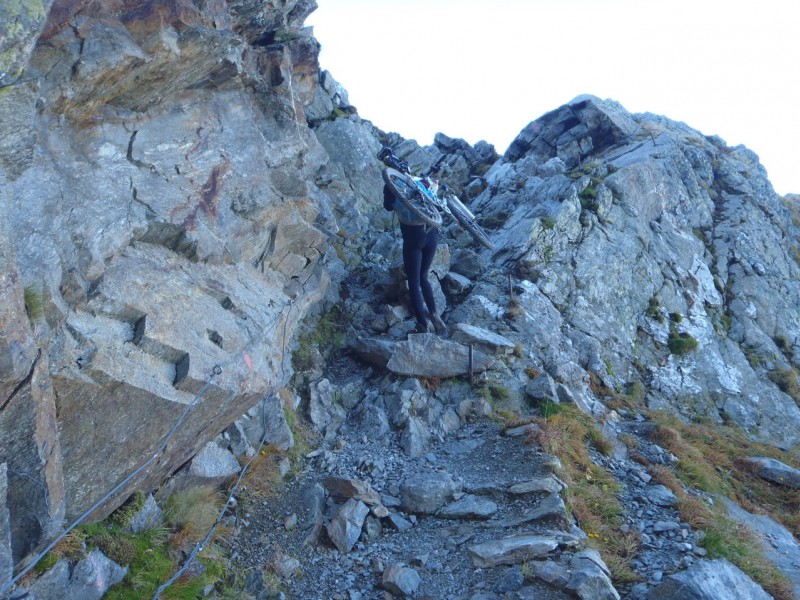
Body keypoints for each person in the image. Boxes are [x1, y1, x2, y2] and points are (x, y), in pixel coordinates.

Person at [379, 147, 447, 335]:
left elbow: (387, 208)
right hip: (432, 233)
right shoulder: (419, 182)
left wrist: (390, 192)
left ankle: (422, 324)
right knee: (424, 276)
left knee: (414, 280)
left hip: (413, 238)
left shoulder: (391, 184)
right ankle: (434, 313)